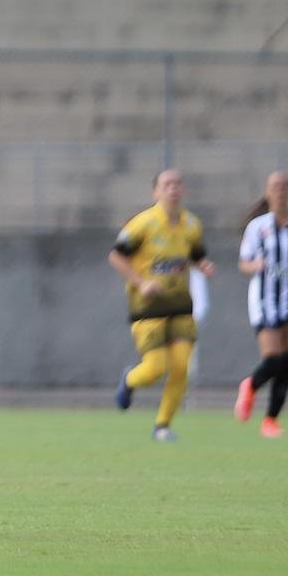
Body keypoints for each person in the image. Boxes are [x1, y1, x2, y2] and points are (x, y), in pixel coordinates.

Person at [110, 169, 215, 441]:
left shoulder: (191, 224)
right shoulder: (142, 224)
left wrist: (203, 265)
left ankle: (162, 425)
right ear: (155, 192)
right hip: (148, 308)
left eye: (178, 183)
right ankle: (129, 380)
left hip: (181, 306)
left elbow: (196, 255)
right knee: (156, 368)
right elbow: (117, 257)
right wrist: (142, 282)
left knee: (180, 367)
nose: (173, 188)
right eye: (167, 184)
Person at [233, 171, 288, 438]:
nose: (281, 190)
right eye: (276, 186)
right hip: (265, 300)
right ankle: (250, 385)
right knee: (273, 359)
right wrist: (256, 265)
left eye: (285, 186)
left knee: (287, 361)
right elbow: (244, 262)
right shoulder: (258, 227)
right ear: (268, 191)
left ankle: (270, 420)